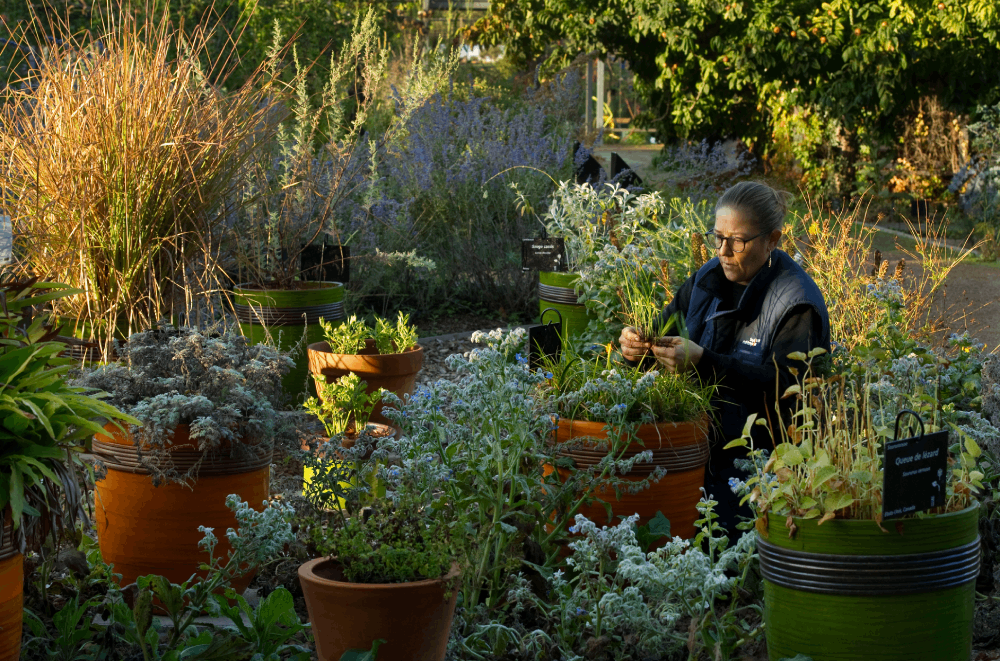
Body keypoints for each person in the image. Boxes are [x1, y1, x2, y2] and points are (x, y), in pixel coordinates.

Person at [619, 181, 831, 531]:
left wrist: (703, 362)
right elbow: (660, 332)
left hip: (757, 463)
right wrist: (635, 348)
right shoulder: (707, 277)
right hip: (693, 444)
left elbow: (785, 389)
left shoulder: (797, 302)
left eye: (738, 241)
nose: (723, 250)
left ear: (772, 240)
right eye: (717, 237)